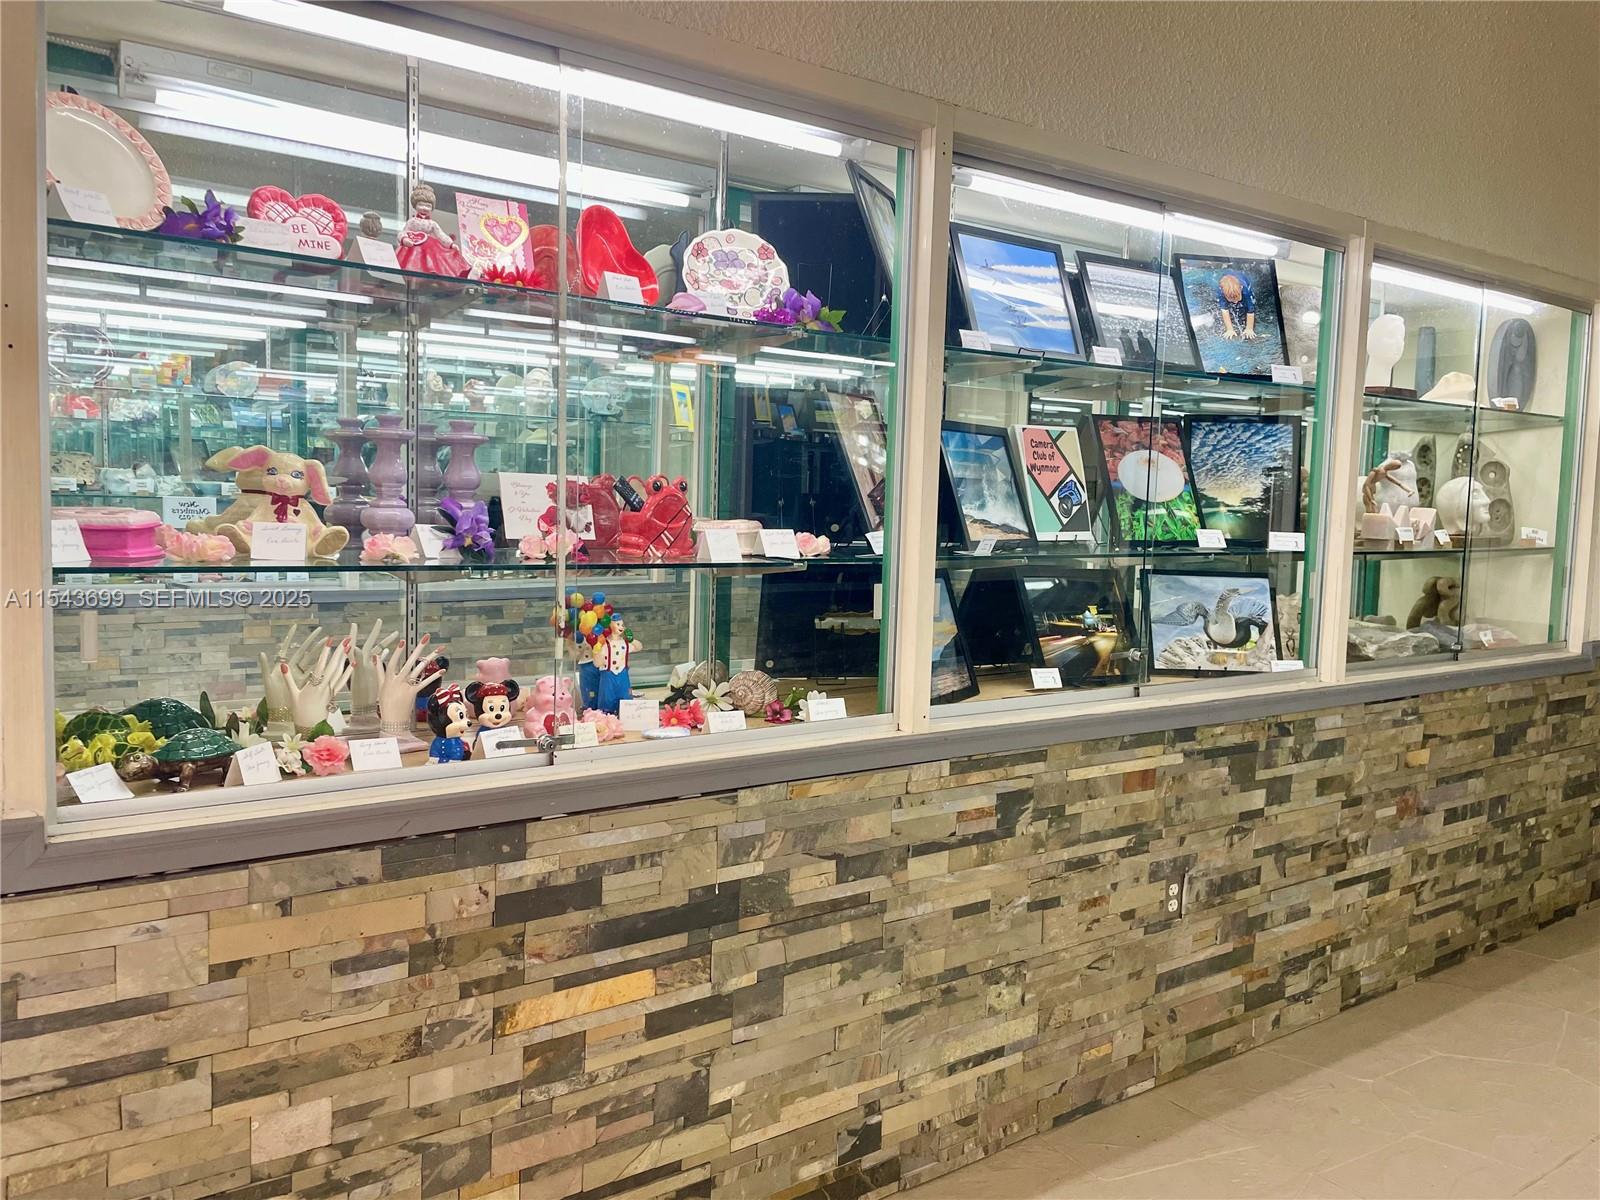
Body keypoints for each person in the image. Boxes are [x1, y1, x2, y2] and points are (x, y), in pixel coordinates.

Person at [395, 183, 472, 278]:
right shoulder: (412, 221)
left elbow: (441, 235)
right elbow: (404, 232)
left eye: (428, 206)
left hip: (429, 249)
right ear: (415, 205)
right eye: (421, 205)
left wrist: (451, 244)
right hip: (412, 247)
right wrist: (404, 239)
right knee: (408, 264)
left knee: (432, 264)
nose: (424, 208)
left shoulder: (432, 224)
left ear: (432, 208)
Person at [1216, 272, 1259, 341]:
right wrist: (1230, 329)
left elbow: (1250, 311)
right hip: (1226, 280)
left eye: (1237, 299)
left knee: (1249, 303)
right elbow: (1224, 311)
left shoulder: (1245, 291)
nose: (1236, 302)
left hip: (1242, 278)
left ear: (1241, 288)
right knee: (1224, 305)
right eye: (1232, 300)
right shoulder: (1221, 292)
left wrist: (1249, 328)